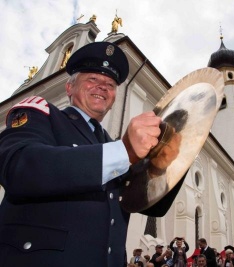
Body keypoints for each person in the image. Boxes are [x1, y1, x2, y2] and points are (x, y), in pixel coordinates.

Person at [0, 42, 183, 267]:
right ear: (69, 88)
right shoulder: (42, 114)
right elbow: (20, 169)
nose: (103, 86)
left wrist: (166, 163)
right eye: (92, 79)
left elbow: (149, 204)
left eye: (110, 84)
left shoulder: (110, 144)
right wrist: (124, 151)